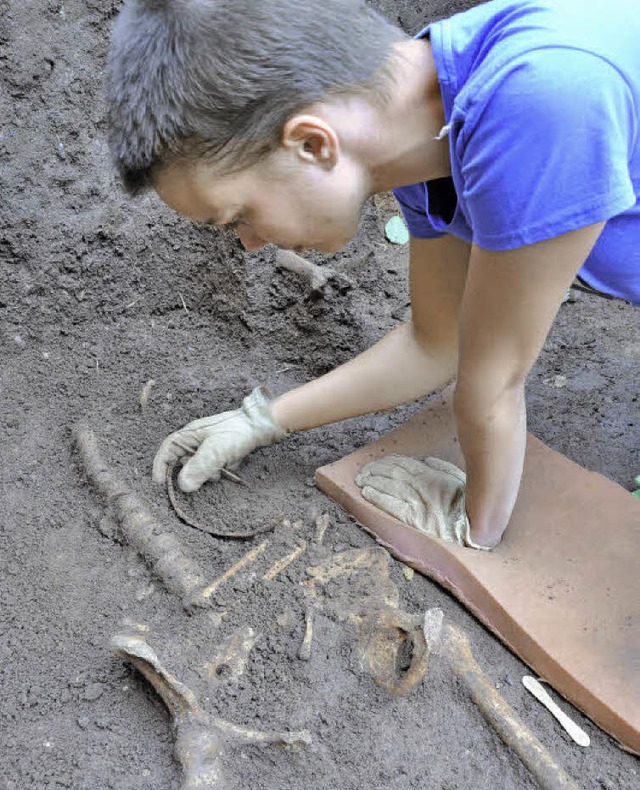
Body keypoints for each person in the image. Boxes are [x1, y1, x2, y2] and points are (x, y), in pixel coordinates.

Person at [106, 0, 639, 550]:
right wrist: (261, 420)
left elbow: (493, 385)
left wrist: (475, 524)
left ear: (312, 144)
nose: (250, 243)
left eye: (239, 215)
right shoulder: (426, 130)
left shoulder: (538, 104)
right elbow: (436, 342)